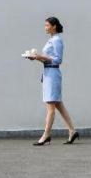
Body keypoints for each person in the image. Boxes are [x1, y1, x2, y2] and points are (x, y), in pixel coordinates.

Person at [26, 16, 79, 146]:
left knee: (50, 106)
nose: (45, 27)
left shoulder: (57, 40)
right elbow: (47, 58)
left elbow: (58, 59)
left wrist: (40, 56)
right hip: (48, 73)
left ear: (54, 26)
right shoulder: (51, 40)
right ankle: (72, 131)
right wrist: (36, 58)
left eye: (47, 25)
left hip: (53, 73)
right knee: (58, 104)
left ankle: (46, 135)